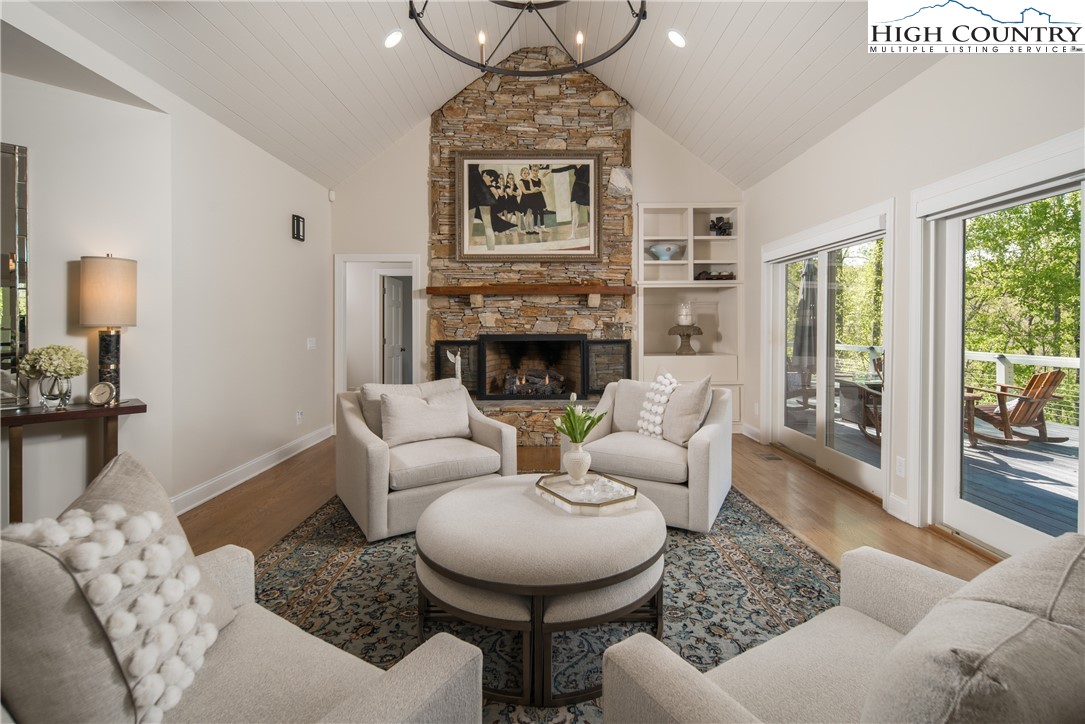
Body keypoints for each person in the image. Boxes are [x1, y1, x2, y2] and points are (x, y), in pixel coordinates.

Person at [551, 163, 590, 239]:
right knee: (575, 213)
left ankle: (593, 231)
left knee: (591, 212)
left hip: (585, 189)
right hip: (576, 189)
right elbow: (563, 169)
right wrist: (551, 171)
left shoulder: (588, 165)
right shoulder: (574, 165)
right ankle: (573, 234)